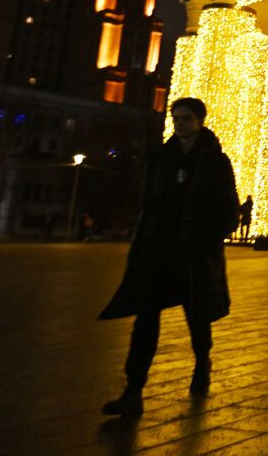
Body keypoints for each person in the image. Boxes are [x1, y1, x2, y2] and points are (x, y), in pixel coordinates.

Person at [98, 98, 238, 417]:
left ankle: (202, 362)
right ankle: (133, 389)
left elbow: (227, 208)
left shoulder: (216, 161)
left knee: (197, 315)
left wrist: (207, 240)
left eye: (186, 118)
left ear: (199, 121)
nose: (180, 123)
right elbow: (149, 201)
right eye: (176, 118)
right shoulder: (161, 158)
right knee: (145, 318)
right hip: (159, 249)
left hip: (193, 252)